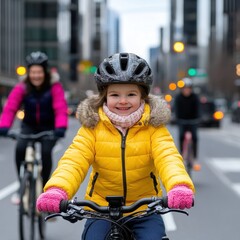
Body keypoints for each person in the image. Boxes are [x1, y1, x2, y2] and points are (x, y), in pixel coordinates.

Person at [36, 53, 195, 240]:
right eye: (115, 94)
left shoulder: (154, 127)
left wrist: (179, 186)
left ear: (142, 96)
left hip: (145, 209)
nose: (123, 101)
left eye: (131, 94)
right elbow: (73, 161)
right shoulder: (92, 127)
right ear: (104, 97)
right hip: (101, 208)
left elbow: (168, 157)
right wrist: (57, 190)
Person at [0, 51, 68, 204]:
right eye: (33, 72)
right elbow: (10, 108)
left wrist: (60, 128)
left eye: (39, 72)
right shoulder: (22, 87)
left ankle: (44, 190)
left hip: (48, 127)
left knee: (45, 152)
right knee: (20, 148)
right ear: (29, 72)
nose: (36, 76)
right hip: (29, 126)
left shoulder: (54, 87)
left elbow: (60, 108)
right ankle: (21, 185)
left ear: (45, 72)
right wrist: (4, 126)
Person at [174, 77, 201, 171]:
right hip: (182, 121)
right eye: (185, 88)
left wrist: (198, 118)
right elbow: (176, 110)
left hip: (193, 121)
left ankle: (195, 158)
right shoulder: (178, 98)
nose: (187, 90)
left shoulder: (195, 97)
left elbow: (198, 109)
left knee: (195, 137)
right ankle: (182, 155)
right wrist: (176, 118)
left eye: (188, 88)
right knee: (181, 136)